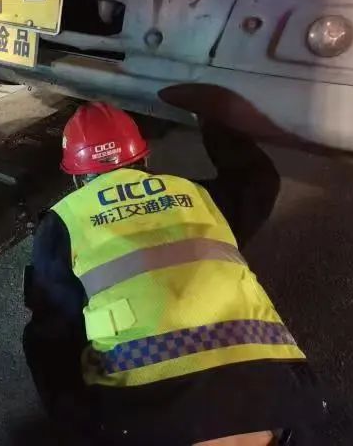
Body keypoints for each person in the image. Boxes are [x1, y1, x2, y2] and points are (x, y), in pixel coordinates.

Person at [23, 102, 326, 445]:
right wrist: (211, 115)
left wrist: (80, 421)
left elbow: (52, 336)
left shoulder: (63, 223)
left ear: (77, 176)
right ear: (144, 158)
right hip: (273, 390)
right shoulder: (198, 196)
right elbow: (259, 180)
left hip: (152, 412)